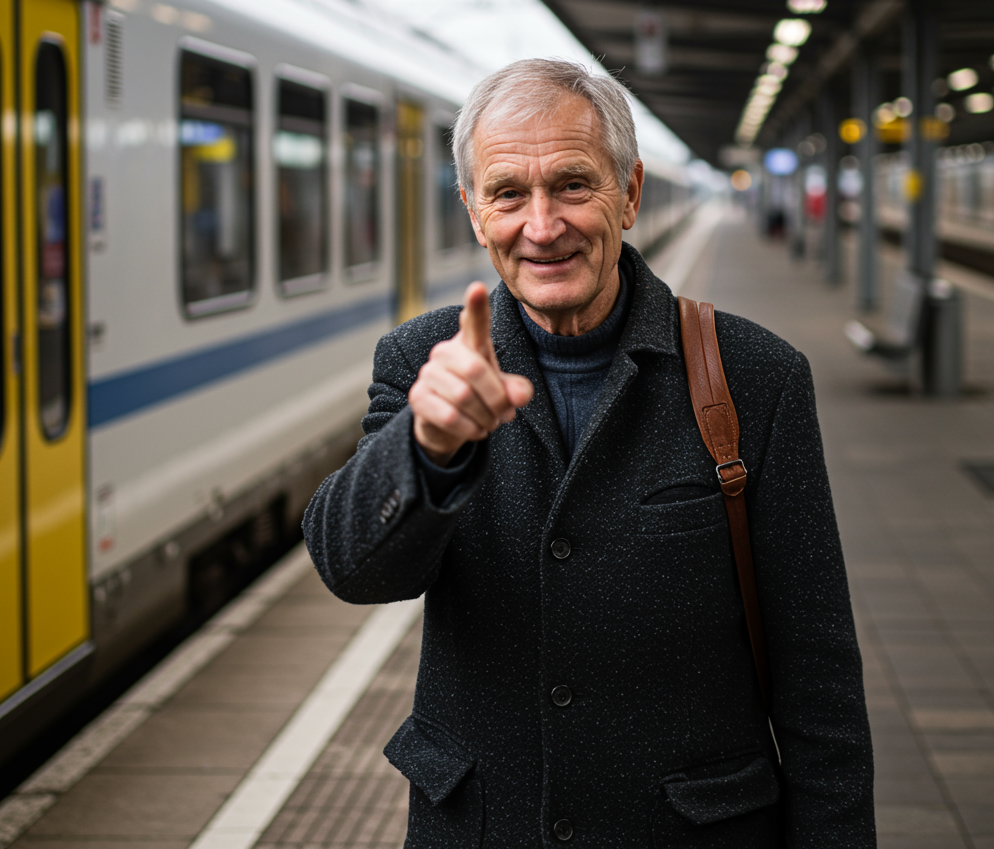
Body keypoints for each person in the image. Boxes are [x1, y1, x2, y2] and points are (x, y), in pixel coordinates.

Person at [304, 59, 874, 847]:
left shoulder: (756, 379)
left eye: (573, 185)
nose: (542, 226)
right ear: (473, 211)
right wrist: (424, 446)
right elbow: (354, 570)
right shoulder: (421, 363)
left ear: (631, 193)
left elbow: (820, 683)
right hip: (482, 828)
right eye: (508, 194)